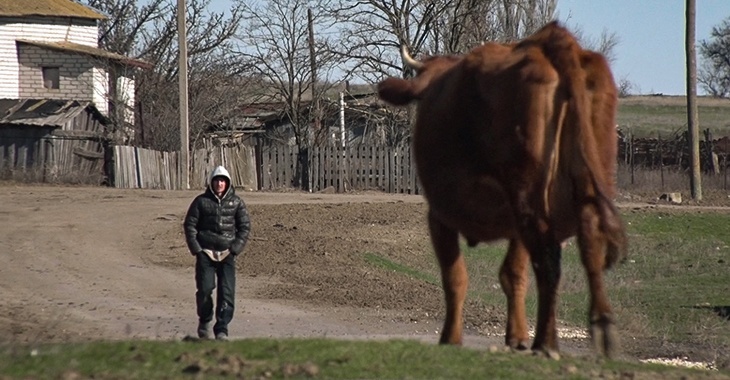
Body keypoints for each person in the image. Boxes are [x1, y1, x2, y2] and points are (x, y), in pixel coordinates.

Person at [184, 165, 251, 340]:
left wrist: (235, 248)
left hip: (227, 253)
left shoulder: (236, 202)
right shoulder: (200, 202)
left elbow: (244, 227)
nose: (220, 184)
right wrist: (196, 249)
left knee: (227, 292)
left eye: (223, 181)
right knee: (205, 289)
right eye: (217, 181)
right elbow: (190, 225)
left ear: (228, 183)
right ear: (212, 183)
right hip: (206, 252)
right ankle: (205, 320)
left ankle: (222, 328)